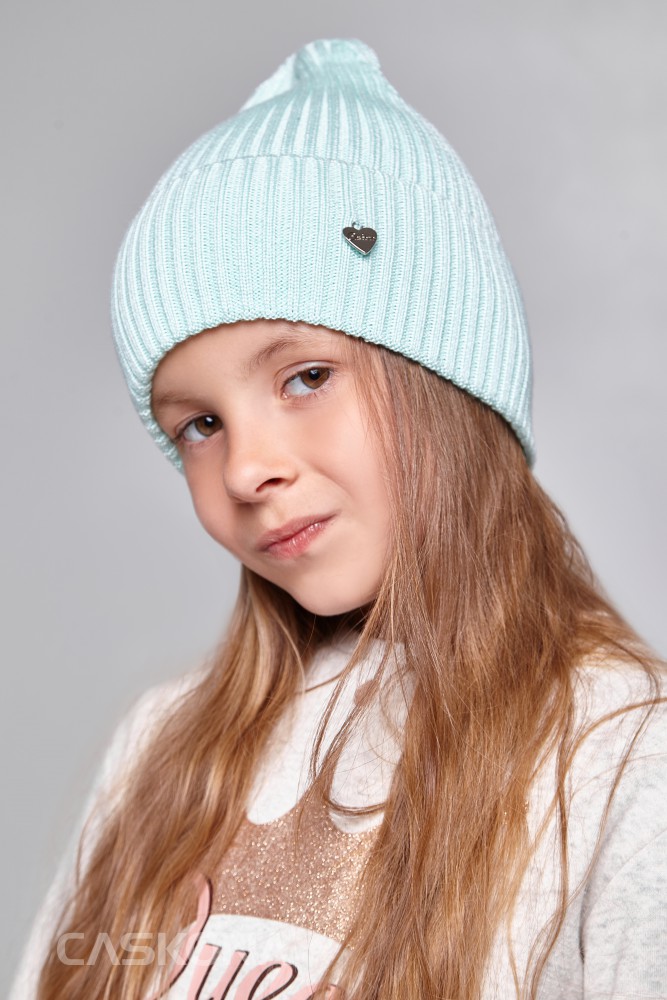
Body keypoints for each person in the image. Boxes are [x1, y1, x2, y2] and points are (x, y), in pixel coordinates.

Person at [9, 37, 667, 1000]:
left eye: (306, 376)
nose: (248, 468)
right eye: (199, 426)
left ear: (447, 376)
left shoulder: (617, 753)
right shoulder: (160, 751)